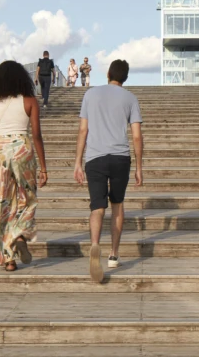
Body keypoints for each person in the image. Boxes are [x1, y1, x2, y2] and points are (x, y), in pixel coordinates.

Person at [73, 58, 143, 282]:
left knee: (97, 207)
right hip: (120, 158)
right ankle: (113, 254)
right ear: (125, 77)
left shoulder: (90, 95)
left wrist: (77, 162)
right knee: (117, 205)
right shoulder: (130, 98)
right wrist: (139, 166)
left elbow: (83, 130)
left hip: (95, 158)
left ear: (108, 74)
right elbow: (137, 136)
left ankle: (95, 245)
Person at [0, 60, 48, 271]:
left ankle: (9, 260)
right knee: (26, 197)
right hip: (23, 147)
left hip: (0, 150)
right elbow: (37, 135)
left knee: (2, 203)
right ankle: (20, 234)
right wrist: (44, 167)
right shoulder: (30, 101)